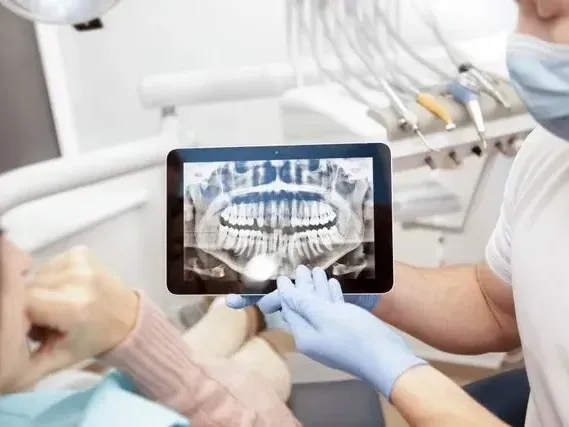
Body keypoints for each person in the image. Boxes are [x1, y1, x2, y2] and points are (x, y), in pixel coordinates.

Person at [227, 1, 569, 426]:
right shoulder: (552, 150)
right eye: (526, 6)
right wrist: (358, 271)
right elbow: (494, 303)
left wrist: (399, 372)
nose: (536, 18)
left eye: (557, 12)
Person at [0, 236, 300, 427]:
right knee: (257, 362)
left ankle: (236, 311)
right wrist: (135, 331)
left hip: (73, 392)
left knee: (212, 335)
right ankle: (264, 332)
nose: (23, 259)